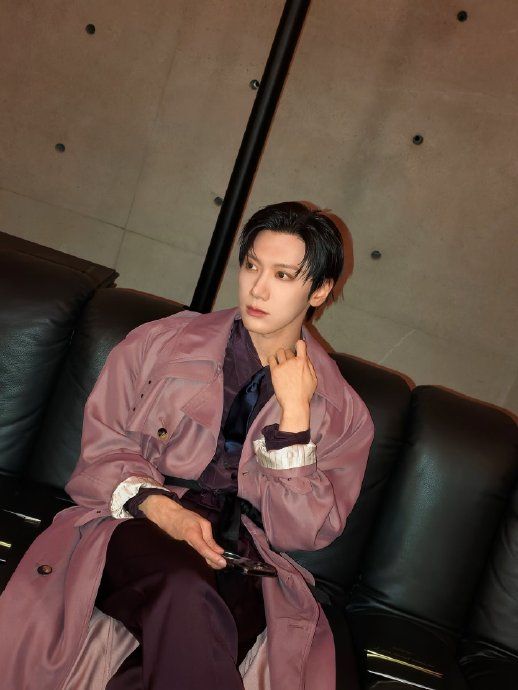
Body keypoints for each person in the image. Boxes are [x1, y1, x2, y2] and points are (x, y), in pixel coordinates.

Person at [0, 201, 374, 690]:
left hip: (242, 555)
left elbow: (302, 533)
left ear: (319, 290)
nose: (258, 288)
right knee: (185, 591)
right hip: (138, 523)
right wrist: (162, 510)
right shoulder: (159, 342)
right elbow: (101, 450)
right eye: (252, 266)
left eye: (283, 275)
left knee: (198, 638)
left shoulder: (342, 412)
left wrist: (295, 422)